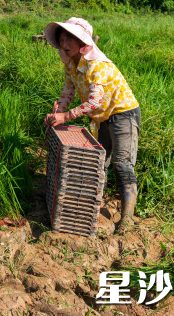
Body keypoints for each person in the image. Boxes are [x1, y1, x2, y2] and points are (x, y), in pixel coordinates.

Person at [43, 17, 141, 234]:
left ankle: (127, 218)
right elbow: (68, 90)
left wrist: (66, 117)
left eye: (70, 38)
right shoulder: (72, 64)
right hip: (101, 116)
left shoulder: (96, 64)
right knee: (99, 163)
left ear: (83, 42)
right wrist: (56, 114)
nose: (64, 43)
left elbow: (96, 101)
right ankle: (93, 205)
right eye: (61, 38)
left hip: (122, 112)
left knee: (122, 164)